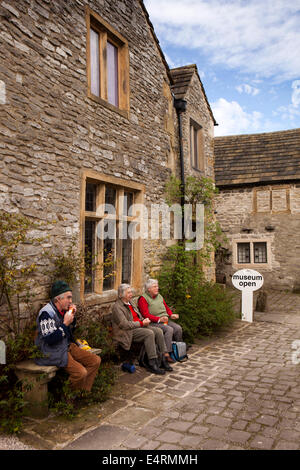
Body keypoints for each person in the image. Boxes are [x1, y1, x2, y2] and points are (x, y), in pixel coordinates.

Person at [35, 280, 101, 392]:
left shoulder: (62, 310)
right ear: (58, 299)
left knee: (95, 360)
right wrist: (65, 323)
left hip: (65, 346)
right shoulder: (46, 314)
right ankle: (69, 396)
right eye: (68, 298)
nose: (71, 301)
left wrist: (72, 319)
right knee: (80, 373)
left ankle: (83, 391)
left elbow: (68, 332)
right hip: (50, 351)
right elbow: (50, 339)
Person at [112, 284, 173, 374]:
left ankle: (163, 358)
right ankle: (152, 363)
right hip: (127, 332)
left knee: (159, 331)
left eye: (131, 292)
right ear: (121, 294)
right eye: (128, 293)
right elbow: (124, 325)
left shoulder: (131, 302)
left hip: (138, 326)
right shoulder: (117, 307)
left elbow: (138, 316)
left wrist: (143, 320)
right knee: (149, 333)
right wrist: (141, 323)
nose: (131, 294)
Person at [138, 279, 183, 363]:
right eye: (155, 287)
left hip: (164, 321)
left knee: (178, 328)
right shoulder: (143, 299)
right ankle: (166, 354)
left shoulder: (159, 296)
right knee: (169, 329)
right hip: (153, 322)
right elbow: (145, 315)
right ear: (149, 289)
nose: (157, 288)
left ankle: (179, 349)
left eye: (157, 286)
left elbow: (166, 307)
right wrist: (159, 319)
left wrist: (171, 315)